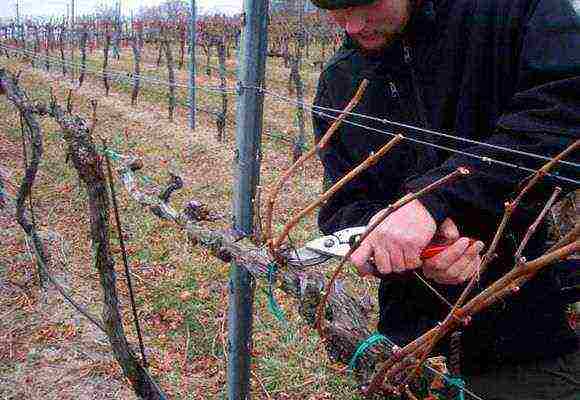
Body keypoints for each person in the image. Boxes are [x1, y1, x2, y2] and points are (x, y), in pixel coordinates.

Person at [309, 0, 580, 398]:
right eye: (333, 10)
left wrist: (436, 200)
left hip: (537, 344)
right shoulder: (342, 81)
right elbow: (345, 206)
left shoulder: (512, 11)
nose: (351, 26)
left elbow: (566, 116)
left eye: (367, 2)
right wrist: (402, 248)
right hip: (410, 349)